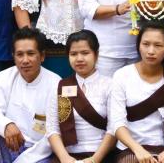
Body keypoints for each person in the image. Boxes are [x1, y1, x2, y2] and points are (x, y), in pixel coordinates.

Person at [110, 21, 164, 163]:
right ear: (138, 45)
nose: (151, 51)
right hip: (129, 148)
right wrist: (137, 149)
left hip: (163, 148)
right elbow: (117, 123)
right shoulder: (122, 75)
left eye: (158, 45)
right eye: (146, 44)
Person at [0, 27, 60, 163]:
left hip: (38, 152)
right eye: (20, 54)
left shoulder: (55, 83)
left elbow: (54, 132)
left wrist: (23, 160)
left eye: (31, 53)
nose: (25, 60)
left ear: (42, 56)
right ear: (13, 57)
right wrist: (7, 125)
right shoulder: (4, 77)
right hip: (7, 145)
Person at [47, 30, 115, 163]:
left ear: (96, 54)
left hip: (101, 156)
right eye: (73, 54)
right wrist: (65, 158)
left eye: (85, 53)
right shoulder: (59, 87)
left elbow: (114, 128)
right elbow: (52, 129)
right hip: (67, 157)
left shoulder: (110, 85)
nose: (79, 59)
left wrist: (94, 159)